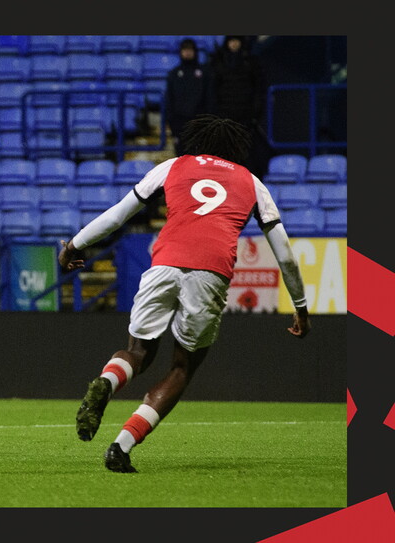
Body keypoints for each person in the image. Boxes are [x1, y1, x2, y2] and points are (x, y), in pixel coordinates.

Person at [57, 114, 311, 473]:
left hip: (164, 261)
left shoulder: (174, 166)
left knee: (138, 352)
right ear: (235, 150)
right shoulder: (251, 182)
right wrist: (300, 305)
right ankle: (121, 446)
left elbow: (118, 215)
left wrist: (75, 245)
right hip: (210, 271)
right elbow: (284, 252)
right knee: (181, 367)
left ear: (199, 143)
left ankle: (106, 382)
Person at [209, 35, 269, 176]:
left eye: (236, 41)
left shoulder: (251, 62)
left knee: (247, 155)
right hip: (224, 117)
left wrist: (255, 113)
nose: (234, 44)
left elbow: (258, 89)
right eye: (231, 41)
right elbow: (212, 91)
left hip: (246, 118)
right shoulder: (218, 62)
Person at [164, 37, 213, 155]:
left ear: (195, 52)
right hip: (180, 125)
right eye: (185, 49)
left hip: (200, 124)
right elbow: (169, 101)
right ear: (180, 52)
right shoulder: (174, 74)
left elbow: (210, 98)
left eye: (190, 49)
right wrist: (172, 123)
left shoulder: (205, 73)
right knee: (182, 159)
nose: (187, 52)